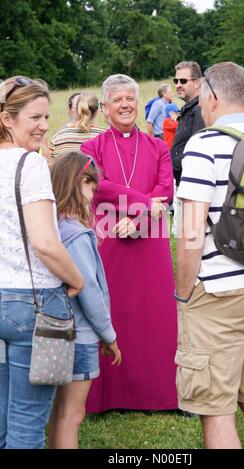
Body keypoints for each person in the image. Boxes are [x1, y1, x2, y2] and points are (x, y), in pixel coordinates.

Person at [175, 62, 244, 449]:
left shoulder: (204, 145)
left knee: (216, 407)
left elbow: (191, 230)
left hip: (219, 291)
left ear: (211, 97)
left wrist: (184, 293)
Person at [81, 74, 178, 413]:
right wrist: (141, 202)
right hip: (109, 241)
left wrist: (137, 218)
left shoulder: (157, 147)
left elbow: (164, 193)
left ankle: (158, 395)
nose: (125, 105)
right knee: (113, 311)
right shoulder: (91, 148)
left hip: (149, 242)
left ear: (138, 103)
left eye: (130, 99)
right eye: (117, 100)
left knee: (153, 317)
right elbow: (98, 187)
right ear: (105, 108)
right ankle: (110, 397)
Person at [0, 76, 84, 449]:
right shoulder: (30, 165)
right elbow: (46, 242)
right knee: (27, 428)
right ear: (7, 118)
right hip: (33, 305)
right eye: (34, 117)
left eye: (46, 117)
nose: (43, 126)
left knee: (3, 422)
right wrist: (76, 278)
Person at [47, 152, 121, 448]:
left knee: (57, 414)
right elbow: (89, 289)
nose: (93, 196)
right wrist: (109, 335)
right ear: (79, 184)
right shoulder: (76, 235)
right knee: (72, 416)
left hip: (57, 332)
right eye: (91, 187)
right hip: (81, 336)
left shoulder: (54, 229)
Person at [171, 61, 205, 236]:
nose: (178, 85)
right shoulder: (188, 109)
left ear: (197, 82)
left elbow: (197, 149)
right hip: (183, 183)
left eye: (183, 81)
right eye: (175, 81)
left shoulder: (200, 110)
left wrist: (169, 164)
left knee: (192, 241)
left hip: (195, 186)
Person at [49, 93, 105, 159]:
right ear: (96, 112)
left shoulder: (58, 137)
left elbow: (51, 165)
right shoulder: (106, 137)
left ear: (76, 110)